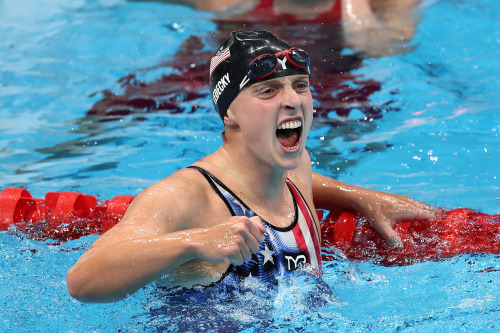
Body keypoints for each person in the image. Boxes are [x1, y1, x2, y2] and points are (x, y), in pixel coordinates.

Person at [67, 30, 436, 303]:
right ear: (229, 114)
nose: (292, 101)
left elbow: (292, 183)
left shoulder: (296, 168)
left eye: (300, 85)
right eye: (268, 91)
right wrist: (194, 242)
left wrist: (358, 197)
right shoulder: (187, 197)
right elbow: (82, 281)